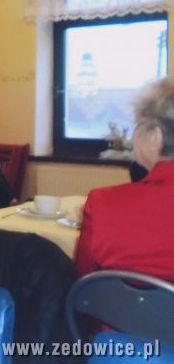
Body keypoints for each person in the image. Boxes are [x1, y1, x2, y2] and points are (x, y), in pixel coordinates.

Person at [75, 76, 174, 280]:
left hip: (117, 302)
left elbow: (85, 282)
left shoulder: (104, 204)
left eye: (137, 125)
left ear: (155, 137)